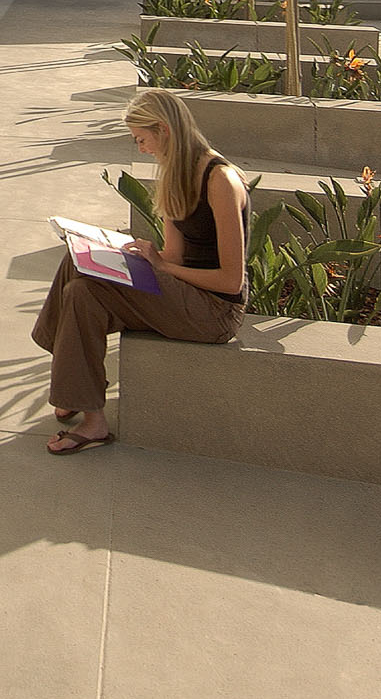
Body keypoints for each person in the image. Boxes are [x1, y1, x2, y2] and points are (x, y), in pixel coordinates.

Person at [31, 87, 249, 454]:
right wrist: (130, 254)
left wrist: (159, 265)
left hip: (214, 311)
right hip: (182, 294)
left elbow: (230, 280)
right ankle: (83, 402)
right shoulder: (176, 174)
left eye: (142, 139)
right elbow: (175, 257)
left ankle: (80, 399)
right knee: (79, 266)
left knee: (84, 291)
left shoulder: (220, 181)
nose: (141, 148)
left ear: (163, 130)